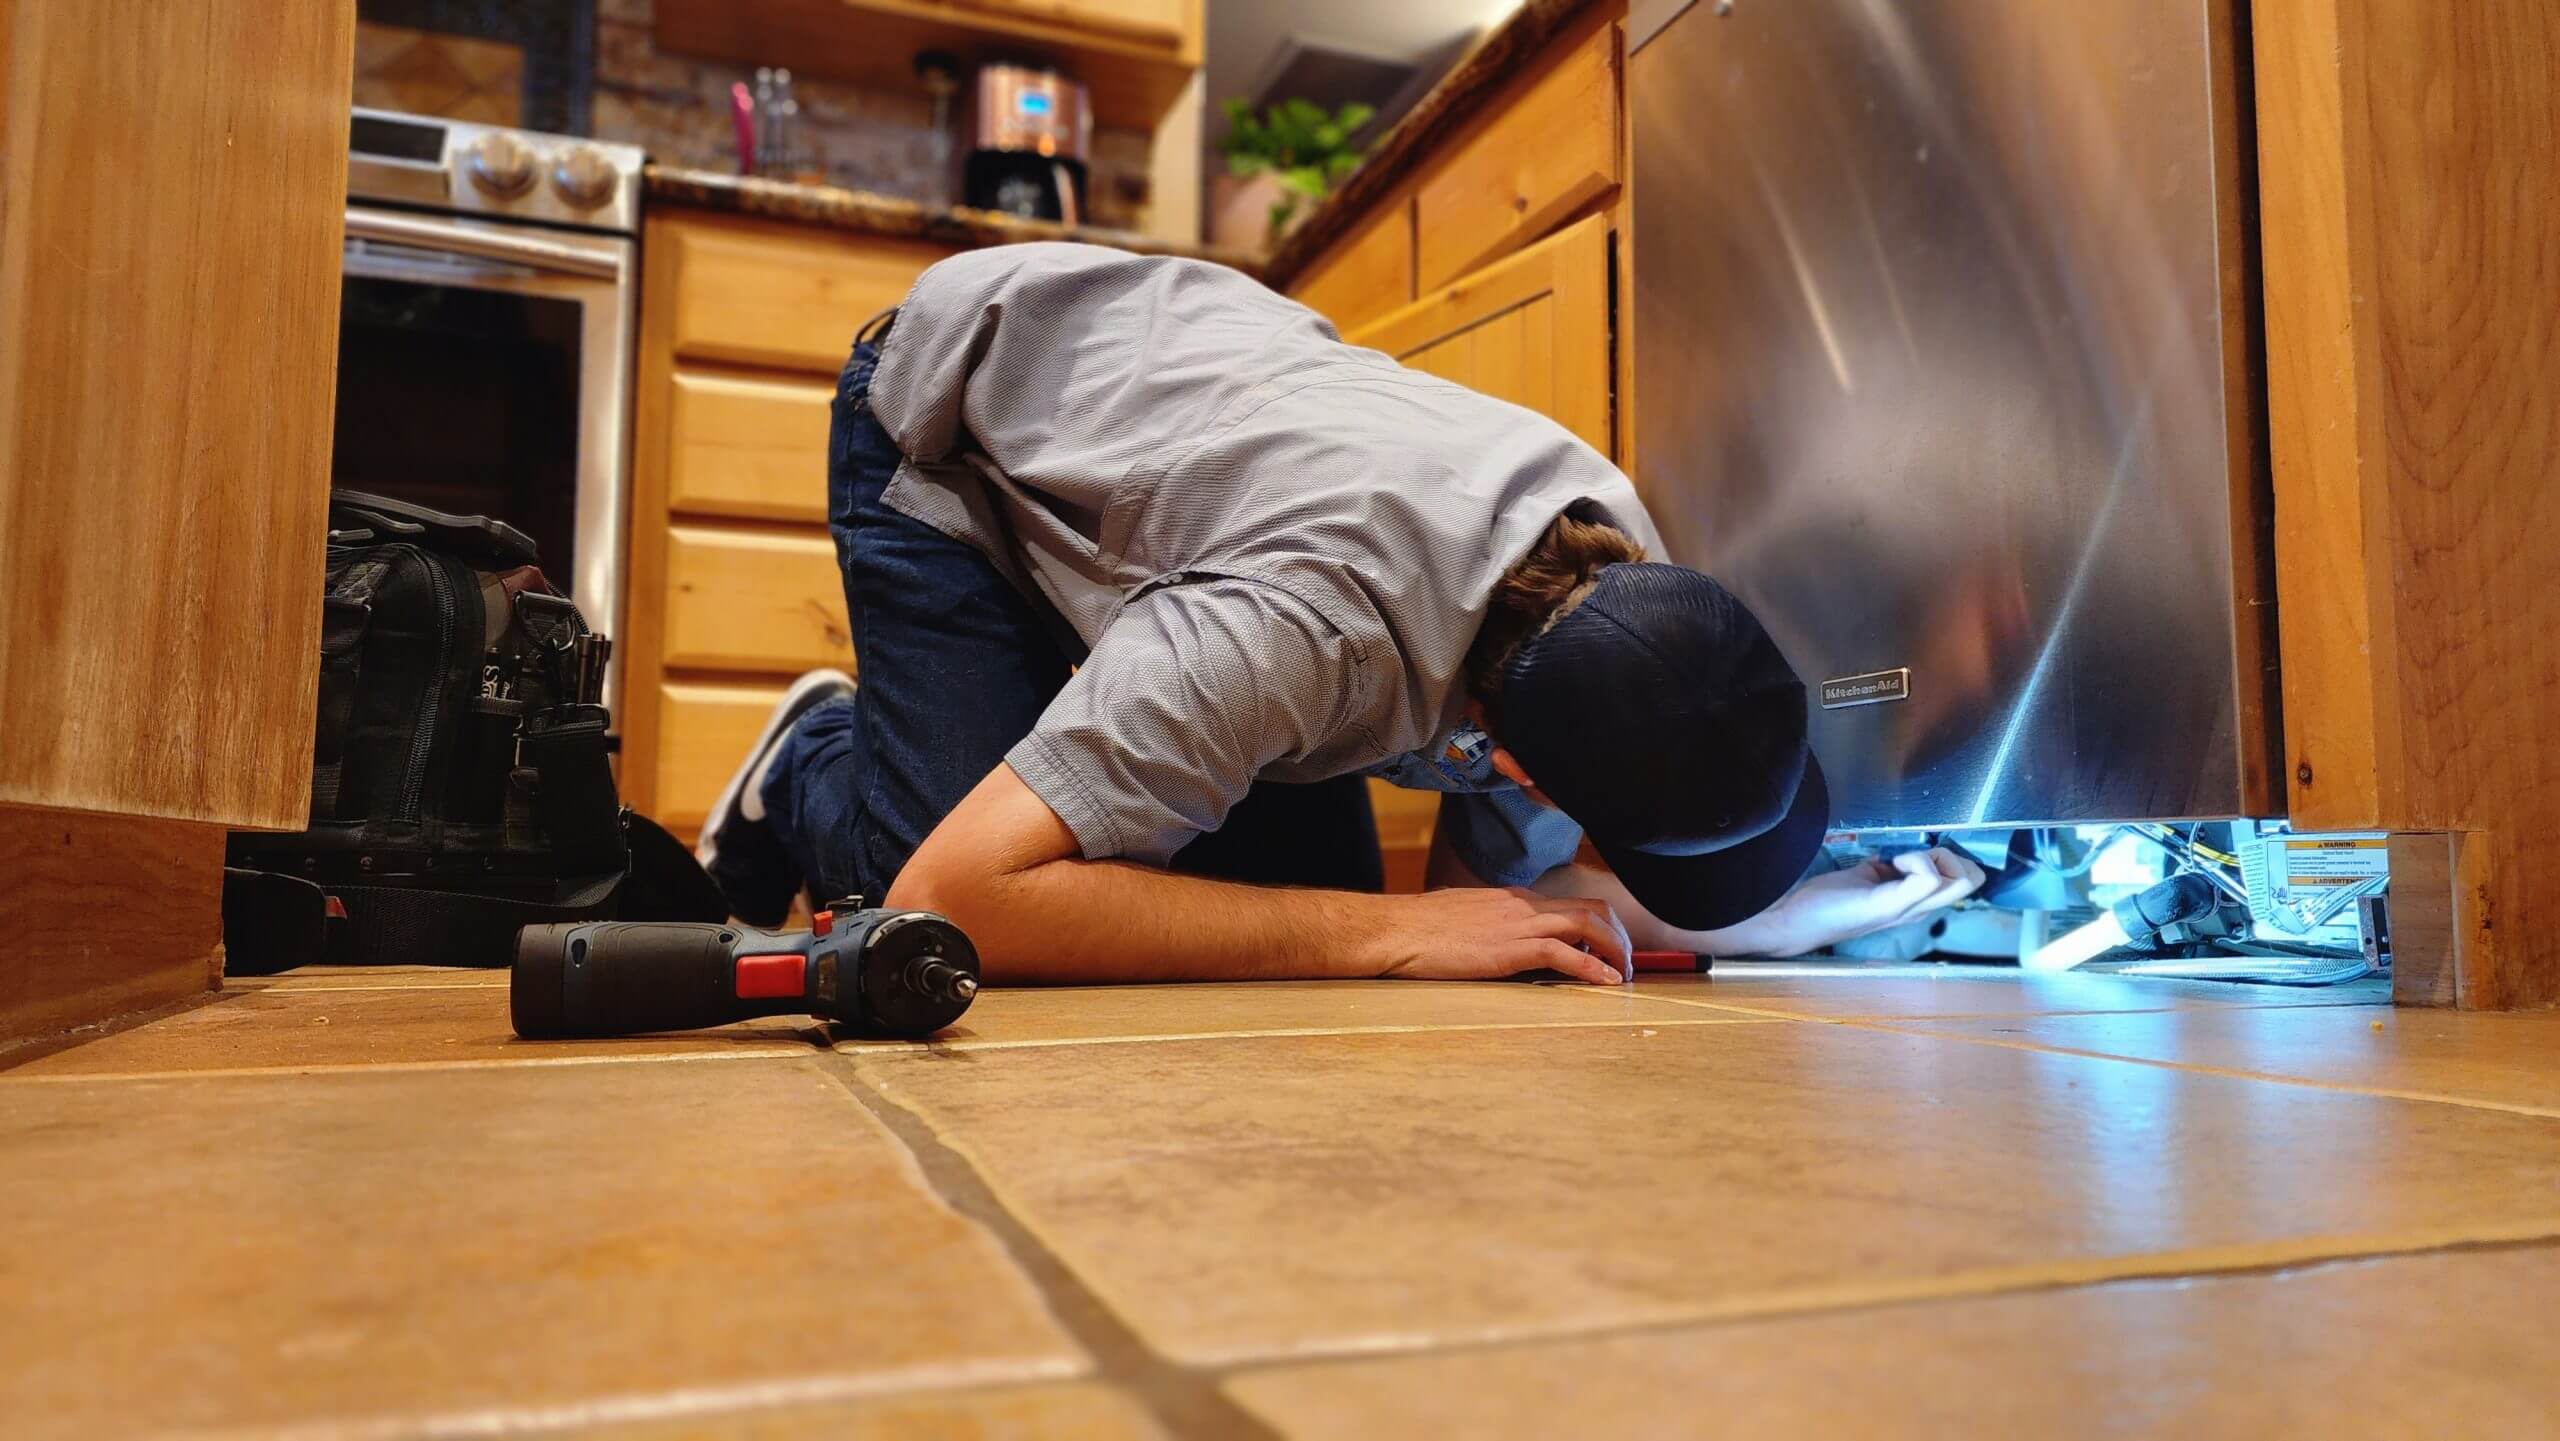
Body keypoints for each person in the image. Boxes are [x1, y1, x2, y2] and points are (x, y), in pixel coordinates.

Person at [694, 245, 1984, 987]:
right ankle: (812, 758)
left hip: (1200, 466)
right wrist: (1404, 927)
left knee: (1289, 919)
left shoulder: (1616, 562)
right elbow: (969, 894)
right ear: (1518, 759)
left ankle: (1086, 717)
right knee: (924, 934)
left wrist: (1814, 916)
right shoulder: (1300, 638)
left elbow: (1521, 908)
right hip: (958, 417)